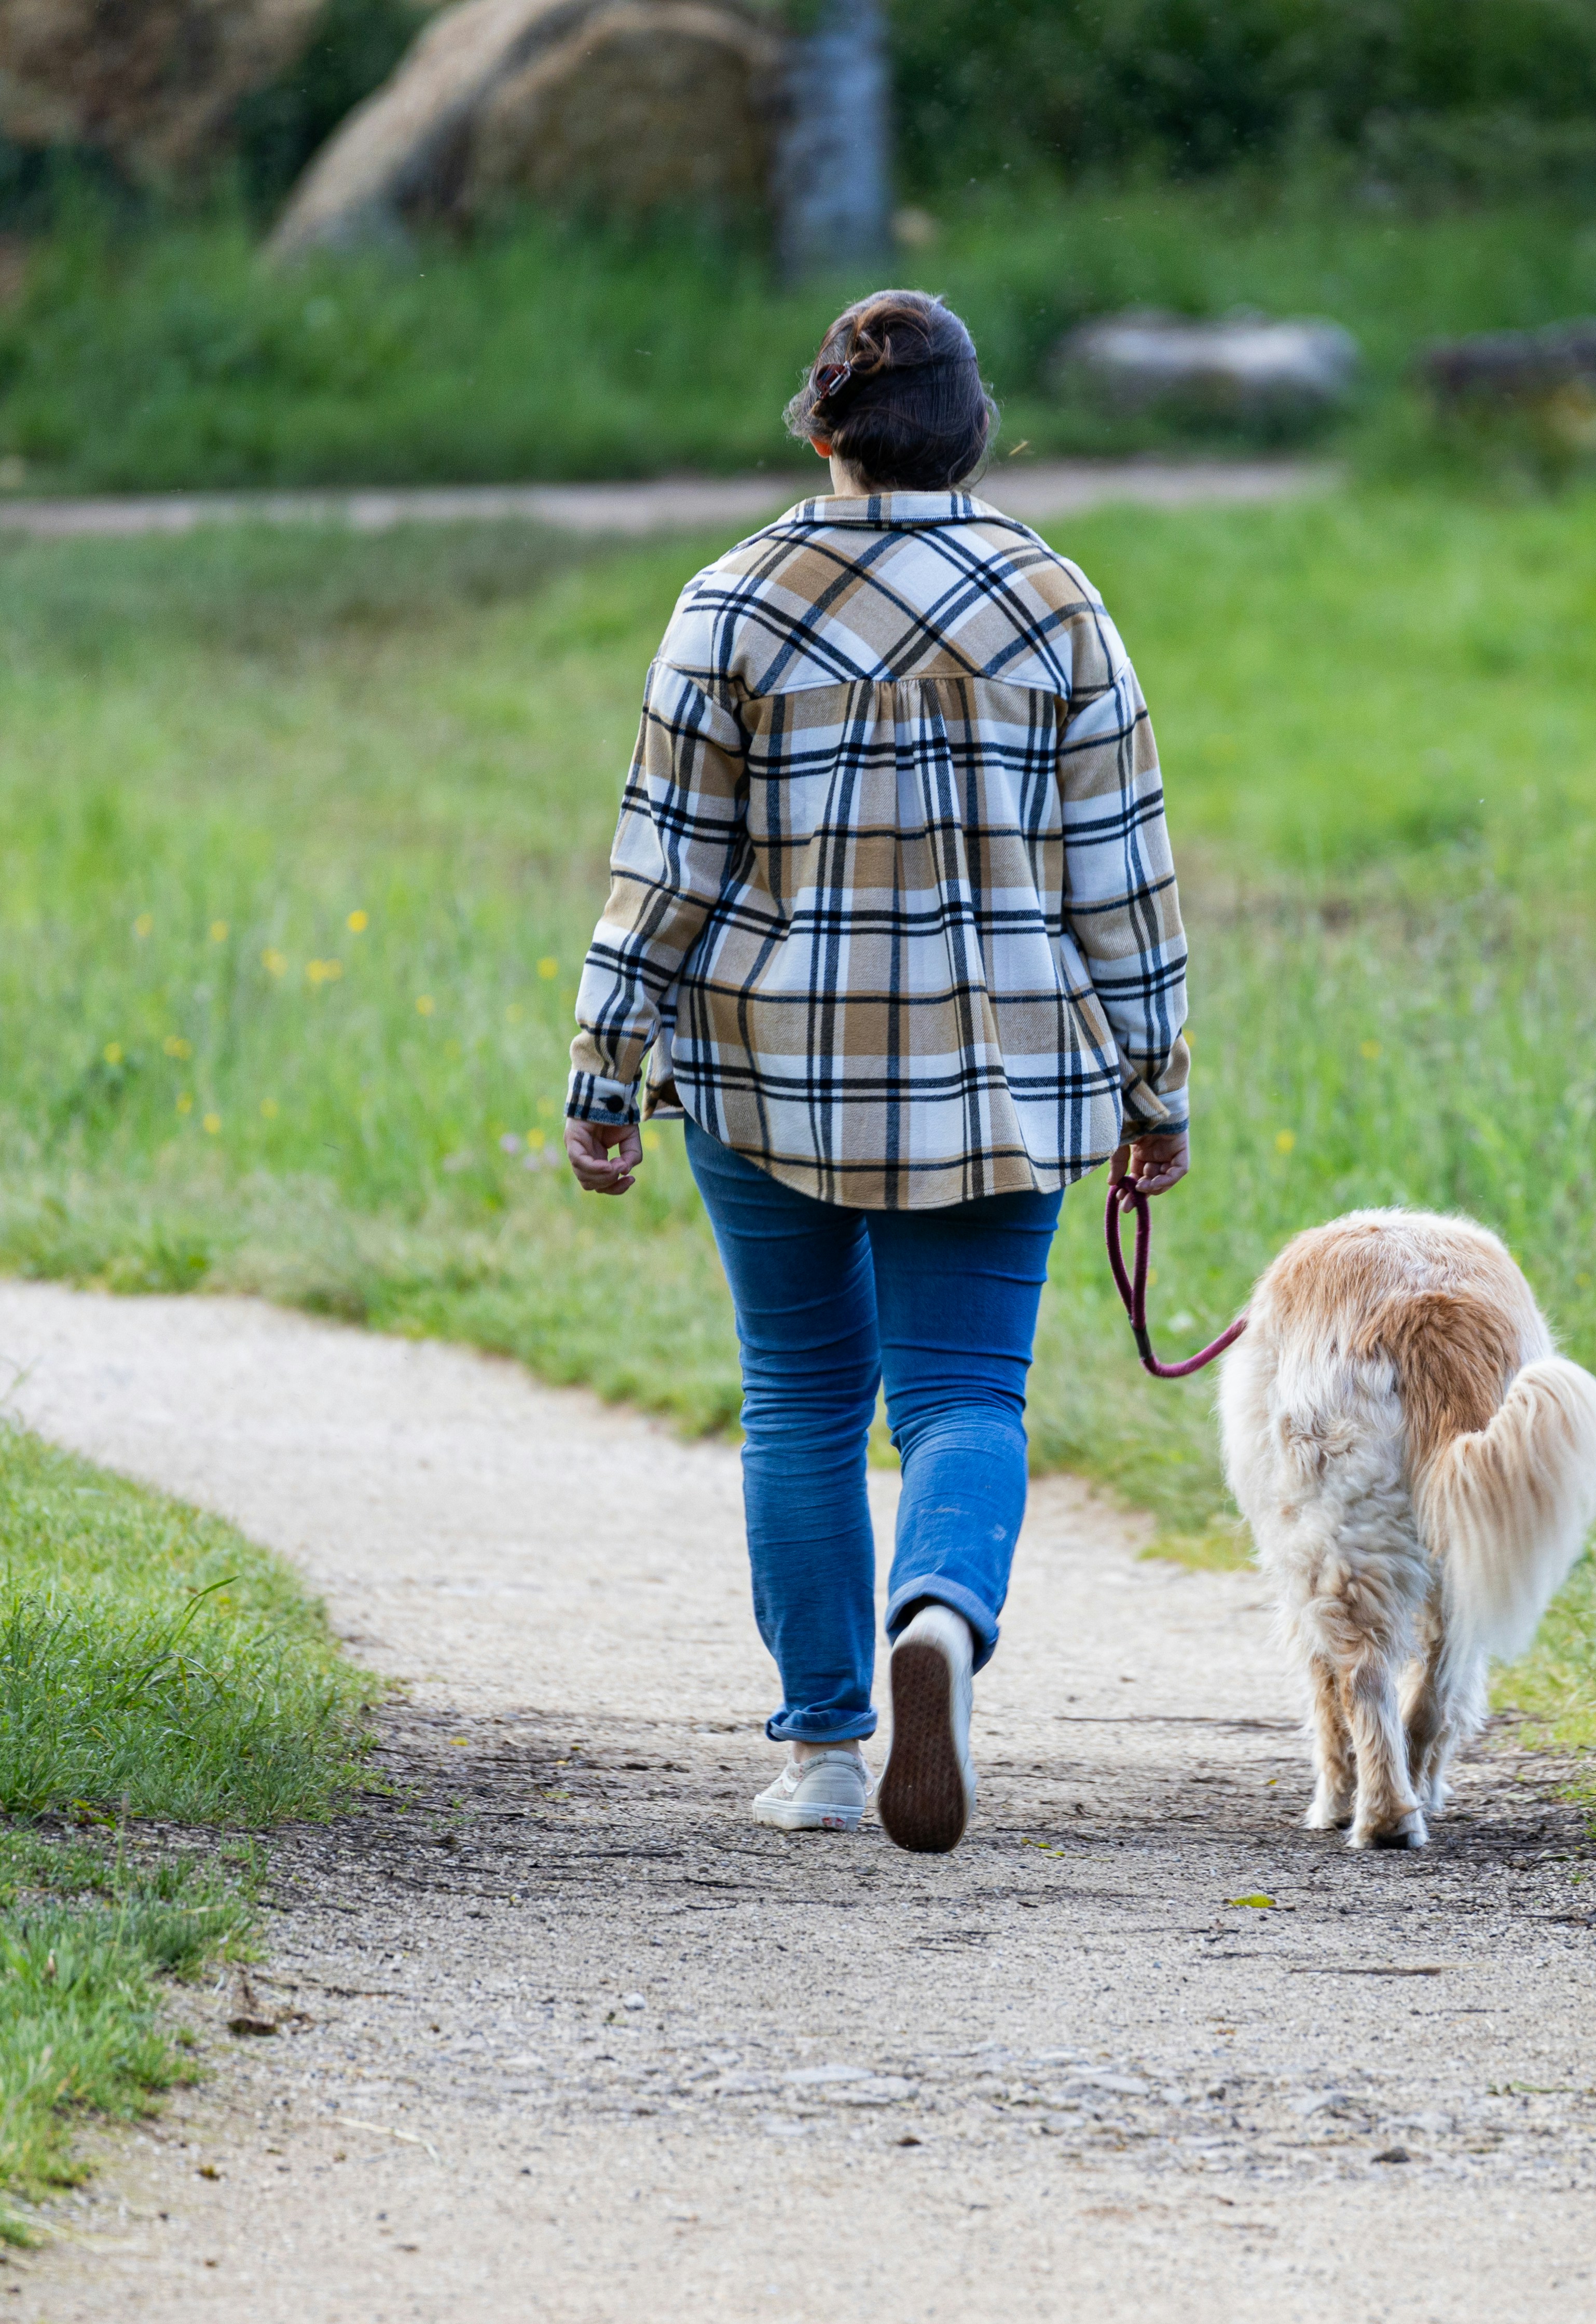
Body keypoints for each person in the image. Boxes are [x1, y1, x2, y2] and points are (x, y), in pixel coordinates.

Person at [561, 289, 1192, 1856]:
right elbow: (1122, 872)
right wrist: (1156, 1083)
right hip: (1003, 1069)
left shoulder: (733, 601)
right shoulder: (1058, 603)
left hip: (767, 1064)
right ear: (975, 434)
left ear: (826, 429)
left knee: (801, 1398)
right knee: (967, 1393)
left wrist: (603, 1059)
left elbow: (669, 863)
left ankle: (830, 1749)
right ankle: (943, 1622)